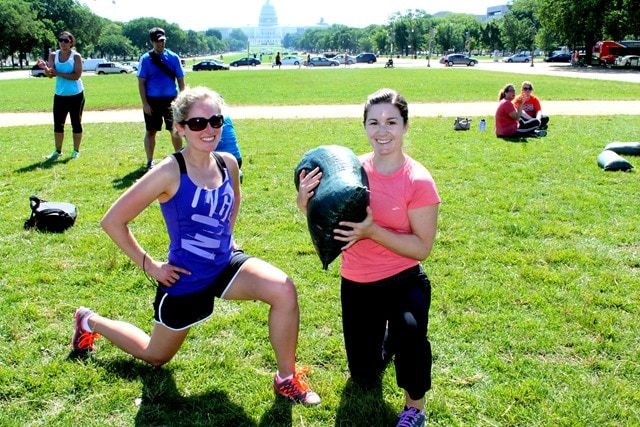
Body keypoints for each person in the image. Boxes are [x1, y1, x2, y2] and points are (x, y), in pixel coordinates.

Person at [71, 86, 320, 406]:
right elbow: (113, 221)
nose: (209, 129)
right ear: (180, 128)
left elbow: (233, 200)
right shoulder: (168, 172)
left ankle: (286, 379)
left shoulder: (227, 162)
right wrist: (151, 266)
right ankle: (89, 320)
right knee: (155, 356)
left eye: (216, 121)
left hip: (225, 264)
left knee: (284, 290)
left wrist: (226, 235)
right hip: (185, 277)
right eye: (198, 123)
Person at [296, 88, 440, 427]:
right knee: (364, 374)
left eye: (391, 122)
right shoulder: (350, 171)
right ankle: (389, 338)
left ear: (405, 126)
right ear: (364, 127)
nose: (382, 131)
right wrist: (306, 204)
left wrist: (372, 231)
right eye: (373, 122)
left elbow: (422, 248)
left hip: (404, 279)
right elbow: (329, 225)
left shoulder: (418, 180)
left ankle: (415, 408)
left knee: (410, 331)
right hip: (358, 282)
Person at [137, 27, 185, 169]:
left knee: (175, 130)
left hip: (172, 100)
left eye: (163, 41)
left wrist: (182, 100)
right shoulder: (146, 59)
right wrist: (145, 103)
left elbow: (181, 80)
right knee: (151, 131)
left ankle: (179, 159)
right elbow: (141, 82)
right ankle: (150, 161)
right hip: (152, 101)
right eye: (158, 41)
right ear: (152, 42)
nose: (161, 44)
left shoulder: (173, 57)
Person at [37, 31, 84, 160]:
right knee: (58, 124)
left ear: (71, 42)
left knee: (76, 123)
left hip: (76, 95)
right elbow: (50, 75)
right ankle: (57, 151)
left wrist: (58, 73)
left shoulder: (76, 56)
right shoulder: (53, 55)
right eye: (61, 40)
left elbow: (76, 75)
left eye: (66, 40)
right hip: (60, 95)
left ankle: (76, 151)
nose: (63, 43)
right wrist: (45, 68)